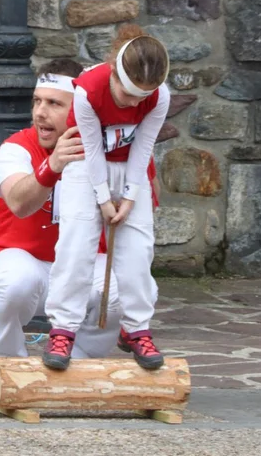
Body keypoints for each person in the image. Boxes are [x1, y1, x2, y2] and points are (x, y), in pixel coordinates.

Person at [44, 25, 170, 371]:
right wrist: (103, 199)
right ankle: (63, 329)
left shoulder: (159, 96)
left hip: (130, 167)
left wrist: (129, 197)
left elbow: (143, 147)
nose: (134, 103)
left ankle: (136, 328)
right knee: (76, 245)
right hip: (86, 165)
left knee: (139, 249)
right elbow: (91, 149)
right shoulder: (87, 89)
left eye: (142, 96)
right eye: (128, 93)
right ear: (113, 71)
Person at [0, 58, 122, 360]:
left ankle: (79, 361)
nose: (40, 112)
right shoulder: (15, 147)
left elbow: (143, 201)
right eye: (37, 101)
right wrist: (52, 165)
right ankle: (6, 360)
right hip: (19, 259)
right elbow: (19, 204)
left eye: (54, 103)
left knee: (121, 290)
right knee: (16, 281)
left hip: (81, 265)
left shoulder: (105, 147)